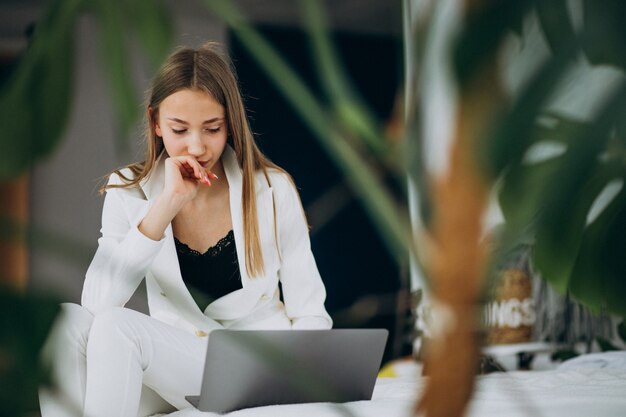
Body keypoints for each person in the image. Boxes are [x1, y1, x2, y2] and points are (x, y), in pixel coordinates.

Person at [39, 42, 332, 417]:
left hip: (253, 366)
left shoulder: (271, 189)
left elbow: (310, 313)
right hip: (178, 368)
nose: (197, 146)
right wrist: (165, 205)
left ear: (231, 123)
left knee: (117, 327)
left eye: (212, 128)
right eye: (180, 129)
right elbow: (96, 303)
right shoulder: (128, 190)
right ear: (156, 123)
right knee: (66, 320)